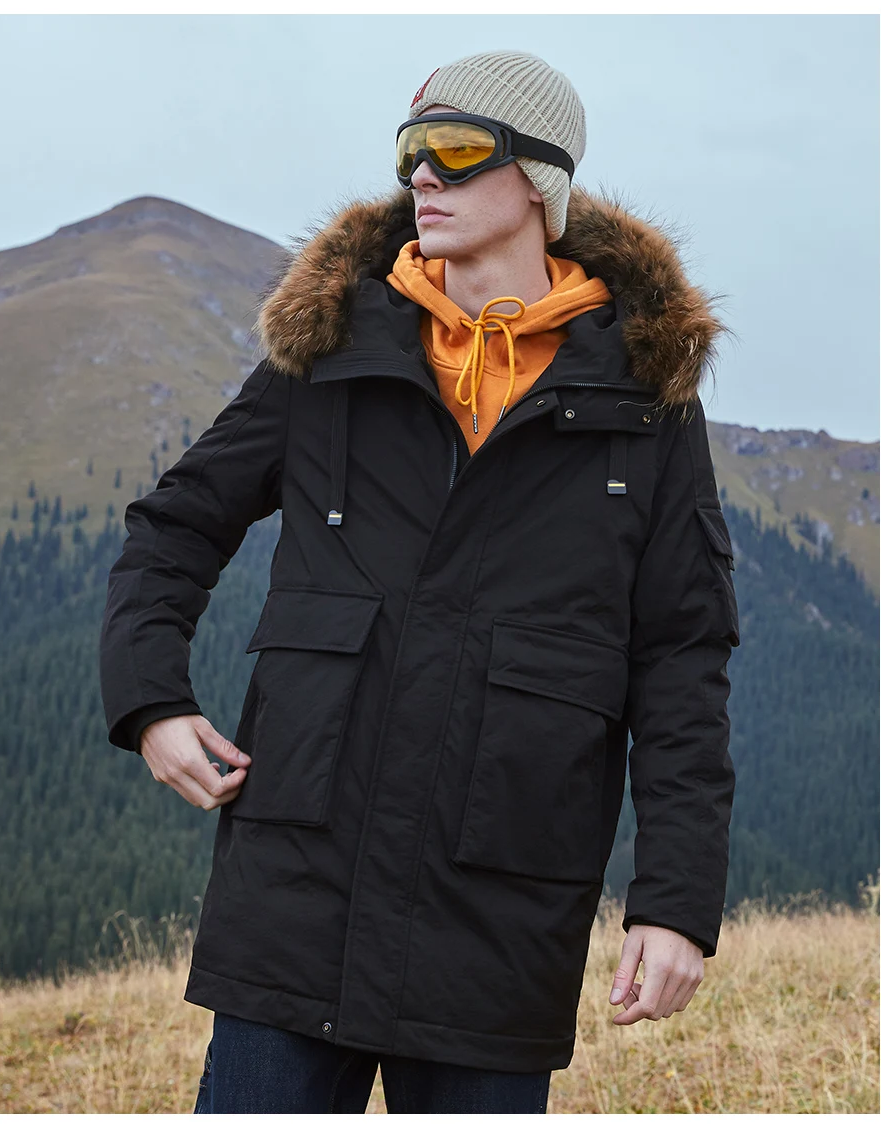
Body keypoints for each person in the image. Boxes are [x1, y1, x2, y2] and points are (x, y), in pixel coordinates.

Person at [99, 49, 740, 1115]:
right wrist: (150, 701)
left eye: (455, 148)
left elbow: (682, 659)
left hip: (496, 921)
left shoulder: (642, 400)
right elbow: (176, 525)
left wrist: (675, 902)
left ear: (538, 180)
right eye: (411, 152)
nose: (421, 177)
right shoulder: (331, 352)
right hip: (294, 900)